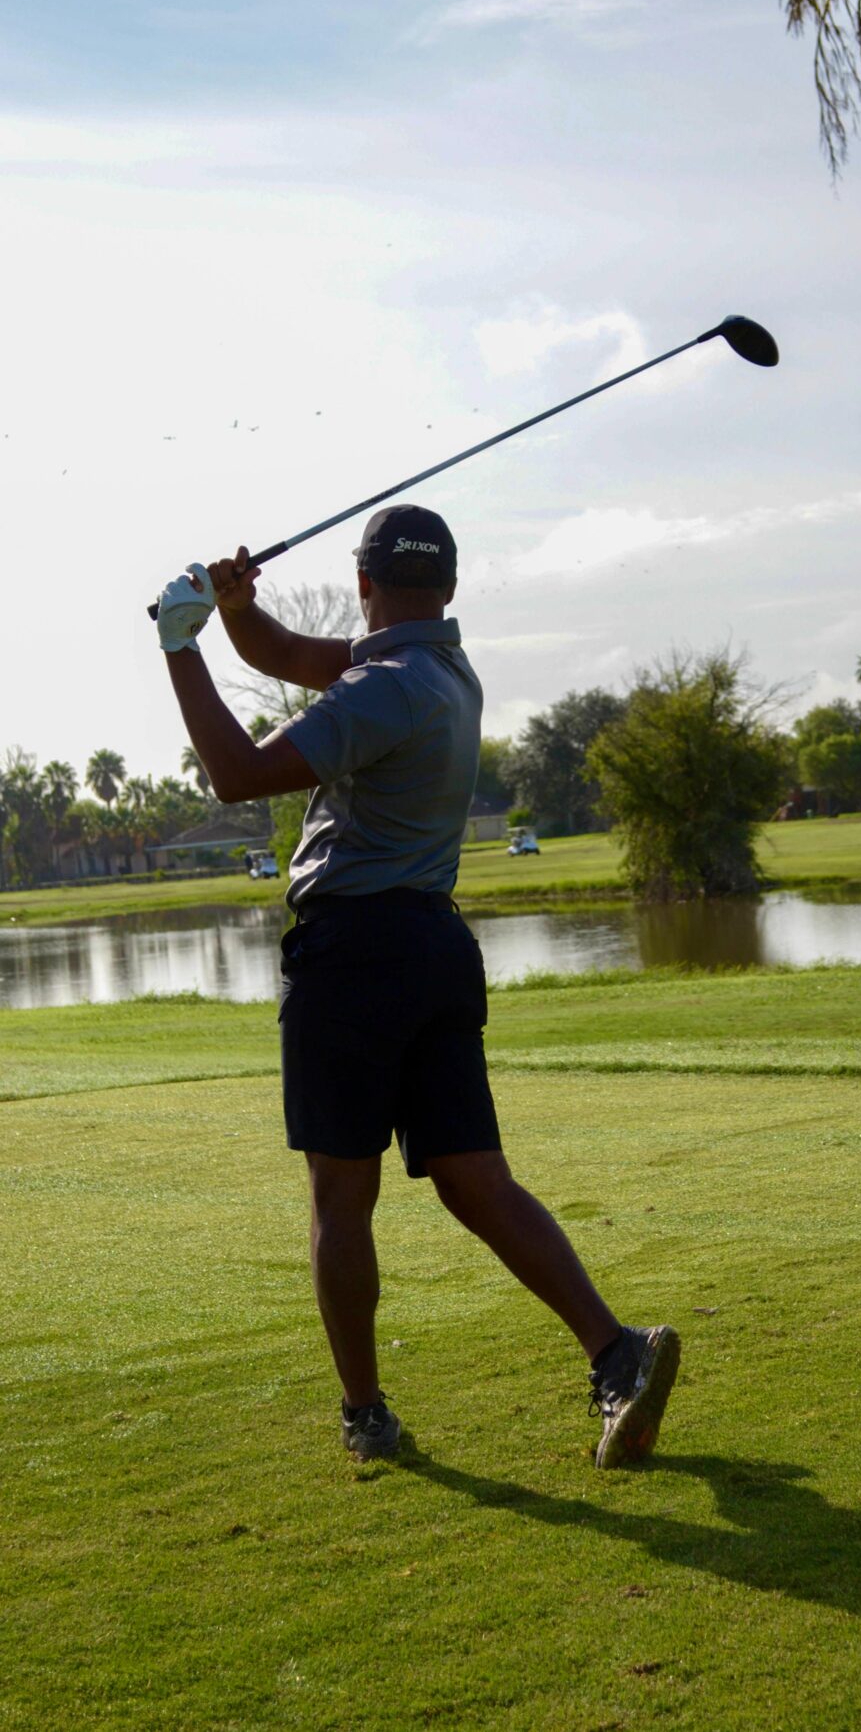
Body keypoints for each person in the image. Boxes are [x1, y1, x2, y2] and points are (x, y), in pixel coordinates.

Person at [154, 503, 679, 1467]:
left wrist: (180, 647)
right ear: (448, 586)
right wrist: (234, 612)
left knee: (340, 1197)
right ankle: (617, 1352)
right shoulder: (443, 671)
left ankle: (366, 1415)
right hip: (434, 947)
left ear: (363, 584)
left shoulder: (379, 686)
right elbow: (288, 654)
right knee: (476, 1179)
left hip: (352, 956)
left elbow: (234, 774)